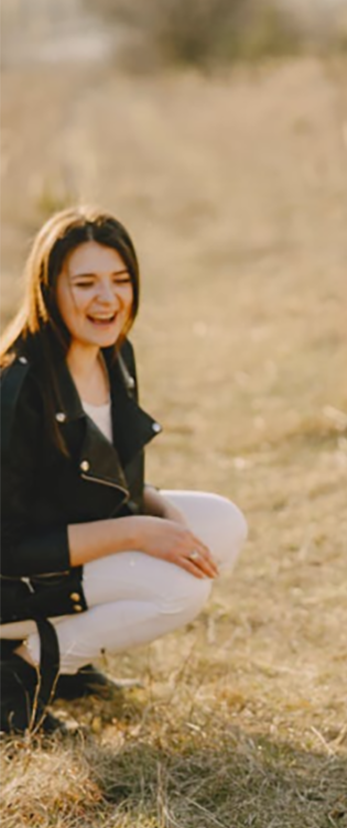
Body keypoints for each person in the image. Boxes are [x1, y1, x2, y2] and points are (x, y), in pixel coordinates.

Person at [0, 205, 248, 734]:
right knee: (179, 589)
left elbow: (93, 479)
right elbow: (8, 545)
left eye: (120, 280)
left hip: (67, 552)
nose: (107, 299)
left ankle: (68, 664)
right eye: (85, 283)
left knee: (223, 524)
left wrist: (156, 505)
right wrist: (139, 531)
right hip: (13, 578)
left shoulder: (114, 354)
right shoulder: (18, 388)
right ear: (49, 290)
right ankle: (20, 674)